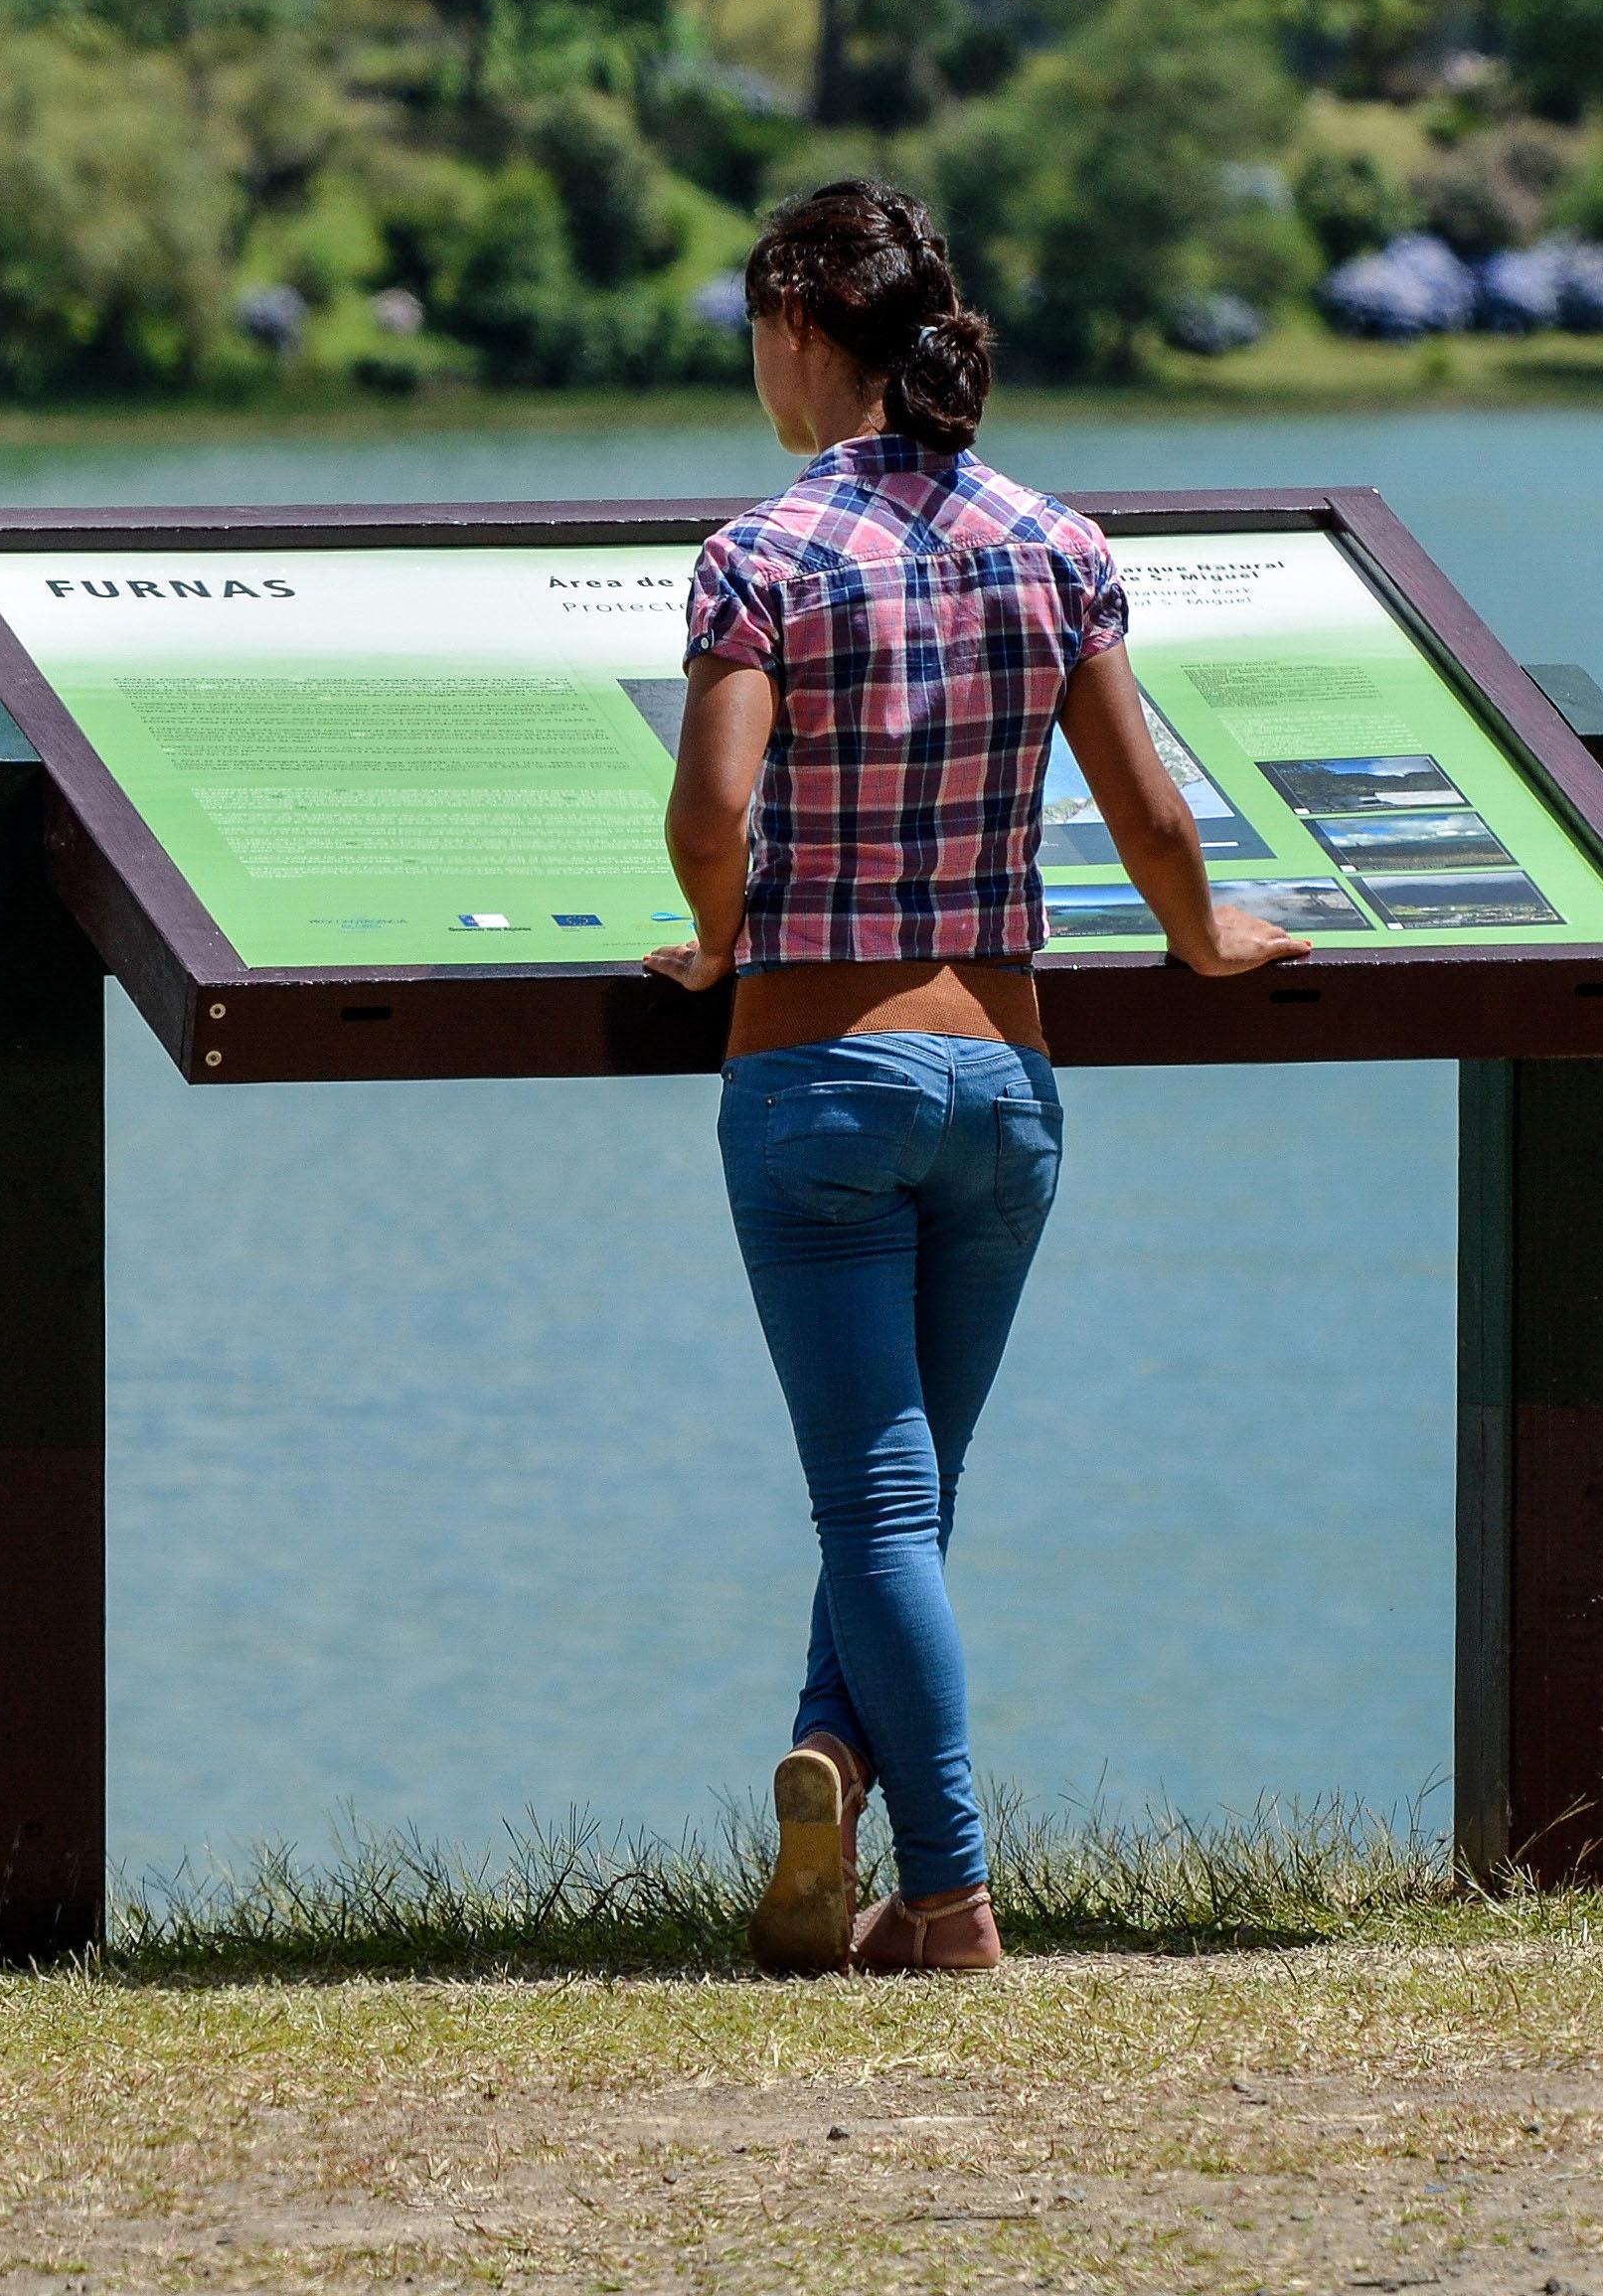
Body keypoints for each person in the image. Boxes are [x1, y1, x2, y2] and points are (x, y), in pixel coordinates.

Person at [644, 178, 1308, 1976]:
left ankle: (948, 1900)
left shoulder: (763, 554)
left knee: (874, 1505)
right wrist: (1203, 940)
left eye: (757, 336)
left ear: (801, 327)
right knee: (910, 1497)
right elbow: (1153, 817)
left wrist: (711, 943)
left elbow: (710, 813)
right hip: (1004, 1088)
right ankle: (832, 1756)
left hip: (820, 1081)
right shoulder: (1056, 542)